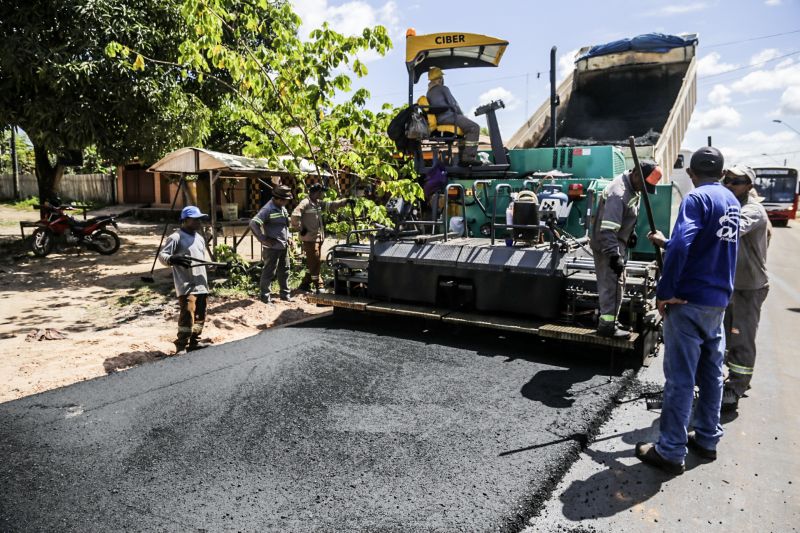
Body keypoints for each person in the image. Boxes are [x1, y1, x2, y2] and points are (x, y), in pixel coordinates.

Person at [637, 146, 740, 475]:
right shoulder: (732, 202)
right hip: (717, 302)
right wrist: (667, 242)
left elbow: (685, 244)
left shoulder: (696, 200)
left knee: (680, 379)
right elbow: (706, 246)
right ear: (722, 174)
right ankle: (708, 439)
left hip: (689, 301)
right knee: (711, 375)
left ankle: (670, 451)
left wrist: (667, 292)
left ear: (691, 174)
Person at [590, 160, 661, 338]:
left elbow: (624, 213)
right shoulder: (619, 193)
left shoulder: (631, 186)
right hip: (609, 244)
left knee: (617, 283)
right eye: (643, 186)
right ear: (636, 174)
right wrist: (614, 255)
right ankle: (606, 326)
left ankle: (611, 319)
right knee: (612, 284)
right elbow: (607, 229)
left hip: (616, 241)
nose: (642, 191)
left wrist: (631, 231)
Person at [721, 165, 771, 412]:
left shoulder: (753, 211)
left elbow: (731, 229)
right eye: (726, 179)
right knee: (726, 335)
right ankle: (729, 380)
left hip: (748, 287)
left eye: (736, 181)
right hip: (730, 284)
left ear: (749, 186)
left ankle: (736, 386)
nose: (729, 184)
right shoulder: (728, 203)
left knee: (741, 338)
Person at [158, 206, 212, 354]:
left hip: (201, 284)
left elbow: (201, 261)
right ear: (185, 220)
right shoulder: (176, 237)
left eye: (200, 219)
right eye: (195, 219)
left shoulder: (200, 238)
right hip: (186, 284)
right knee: (188, 315)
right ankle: (182, 345)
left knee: (200, 315)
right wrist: (173, 258)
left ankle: (195, 341)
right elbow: (162, 256)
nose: (199, 222)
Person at [290, 183, 354, 292]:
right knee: (315, 261)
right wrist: (300, 229)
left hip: (318, 238)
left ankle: (305, 284)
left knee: (313, 262)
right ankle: (319, 285)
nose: (323, 194)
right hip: (310, 239)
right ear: (317, 192)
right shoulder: (305, 203)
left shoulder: (318, 203)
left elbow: (332, 205)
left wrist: (345, 201)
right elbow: (294, 216)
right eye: (322, 192)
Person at [425, 66, 481, 166]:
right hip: (449, 117)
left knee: (465, 130)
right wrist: (462, 116)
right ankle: (468, 157)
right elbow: (453, 104)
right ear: (440, 79)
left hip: (439, 119)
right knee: (474, 127)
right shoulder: (443, 88)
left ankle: (462, 157)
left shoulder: (429, 93)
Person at [250, 185, 294, 304]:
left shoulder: (282, 208)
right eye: (285, 200)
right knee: (269, 272)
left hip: (283, 246)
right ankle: (265, 297)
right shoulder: (267, 209)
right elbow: (253, 224)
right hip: (272, 248)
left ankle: (285, 295)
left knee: (284, 270)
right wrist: (263, 239)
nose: (286, 202)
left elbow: (285, 226)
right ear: (279, 199)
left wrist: (289, 237)